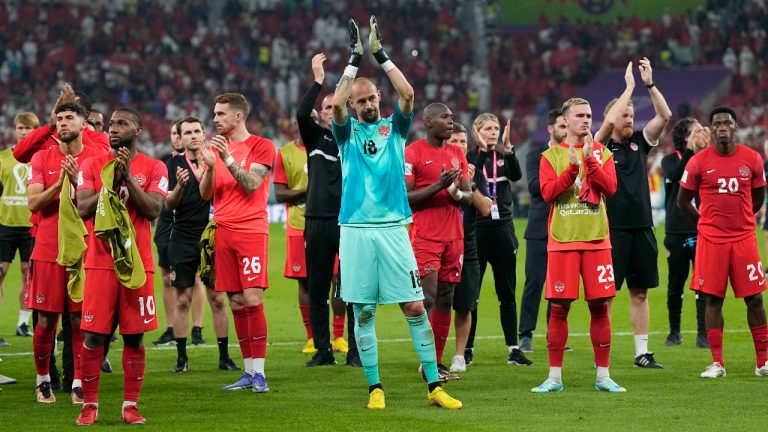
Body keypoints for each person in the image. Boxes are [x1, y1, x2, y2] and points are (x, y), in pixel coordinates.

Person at [331, 16, 461, 409]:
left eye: (373, 99)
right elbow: (335, 101)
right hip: (354, 229)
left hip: (393, 229)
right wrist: (353, 61)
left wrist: (380, 55)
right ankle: (375, 388)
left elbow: (408, 94)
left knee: (415, 306)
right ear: (354, 106)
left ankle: (435, 386)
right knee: (365, 312)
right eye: (363, 100)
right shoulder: (345, 134)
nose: (370, 104)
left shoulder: (395, 129)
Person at [75, 107, 169, 425]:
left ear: (138, 130)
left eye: (122, 123)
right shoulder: (91, 164)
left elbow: (154, 209)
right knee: (93, 337)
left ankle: (130, 406)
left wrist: (128, 176)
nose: (114, 129)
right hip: (101, 263)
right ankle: (89, 405)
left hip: (137, 265)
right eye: (112, 124)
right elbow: (83, 209)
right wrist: (111, 179)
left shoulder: (155, 167)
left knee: (134, 337)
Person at [532, 96, 625, 393]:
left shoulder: (603, 153)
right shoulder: (550, 157)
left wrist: (587, 160)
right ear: (566, 121)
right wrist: (572, 169)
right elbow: (547, 194)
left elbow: (610, 188)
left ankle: (603, 376)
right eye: (580, 116)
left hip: (597, 240)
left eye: (589, 115)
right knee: (559, 308)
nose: (586, 120)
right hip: (563, 241)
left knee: (600, 308)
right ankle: (555, 378)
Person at [678, 106, 768, 379]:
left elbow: (758, 197)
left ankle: (763, 363)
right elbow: (682, 201)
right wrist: (706, 224)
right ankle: (717, 363)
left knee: (755, 300)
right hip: (711, 242)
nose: (722, 127)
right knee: (713, 300)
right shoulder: (698, 162)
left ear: (735, 126)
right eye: (717, 124)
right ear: (712, 129)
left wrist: (740, 219)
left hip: (744, 240)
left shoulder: (752, 159)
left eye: (727, 122)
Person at [27, 103, 105, 404]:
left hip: (85, 250)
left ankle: (77, 382)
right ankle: (43, 379)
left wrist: (75, 183)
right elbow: (34, 204)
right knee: (46, 320)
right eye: (58, 118)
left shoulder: (97, 159)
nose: (62, 123)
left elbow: (101, 203)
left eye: (69, 117)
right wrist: (59, 183)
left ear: (84, 124)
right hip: (47, 249)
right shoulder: (41, 158)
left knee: (78, 319)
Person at [198, 92, 275, 393]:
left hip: (251, 230)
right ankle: (247, 371)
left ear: (238, 116)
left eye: (220, 114)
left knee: (253, 300)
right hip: (223, 231)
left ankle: (260, 373)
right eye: (214, 114)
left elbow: (252, 184)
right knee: (236, 302)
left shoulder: (261, 146)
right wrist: (210, 165)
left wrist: (226, 159)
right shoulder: (214, 150)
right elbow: (206, 194)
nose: (215, 119)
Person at [598, 58, 671, 369]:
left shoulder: (640, 144)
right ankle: (604, 354)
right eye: (625, 115)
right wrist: (628, 87)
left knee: (640, 293)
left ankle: (642, 352)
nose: (630, 119)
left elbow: (665, 115)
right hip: (611, 231)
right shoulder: (599, 146)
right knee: (606, 296)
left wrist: (649, 85)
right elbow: (609, 123)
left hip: (642, 227)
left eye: (631, 114)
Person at [165, 117, 239, 372]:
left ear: (203, 134)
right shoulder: (172, 164)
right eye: (188, 132)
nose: (194, 135)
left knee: (217, 299)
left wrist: (211, 168)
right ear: (180, 138)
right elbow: (169, 205)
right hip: (183, 237)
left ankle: (224, 357)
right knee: (183, 299)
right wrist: (180, 186)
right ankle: (181, 358)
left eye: (197, 130)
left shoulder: (218, 159)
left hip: (212, 237)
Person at [299, 53, 358, 367]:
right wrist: (318, 80)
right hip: (319, 220)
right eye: (324, 107)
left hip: (349, 221)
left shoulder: (353, 139)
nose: (328, 111)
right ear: (319, 114)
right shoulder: (314, 138)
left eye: (334, 107)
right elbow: (299, 112)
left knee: (352, 289)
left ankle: (356, 351)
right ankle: (323, 350)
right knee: (319, 287)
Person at [405, 103, 471, 381]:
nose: (451, 121)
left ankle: (436, 363)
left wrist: (456, 191)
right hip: (425, 237)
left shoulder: (457, 154)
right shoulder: (412, 153)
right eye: (445, 117)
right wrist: (440, 186)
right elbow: (406, 198)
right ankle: (427, 363)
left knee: (446, 298)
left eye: (452, 117)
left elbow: (467, 196)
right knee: (428, 299)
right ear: (428, 122)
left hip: (454, 237)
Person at [465, 112, 530, 366]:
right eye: (488, 128)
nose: (493, 132)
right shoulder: (470, 158)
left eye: (496, 128)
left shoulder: (504, 158)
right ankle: (468, 347)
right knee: (473, 293)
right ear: (477, 131)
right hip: (477, 229)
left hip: (503, 228)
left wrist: (509, 148)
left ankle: (513, 348)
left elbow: (516, 176)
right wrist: (481, 151)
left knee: (507, 293)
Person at [518, 109, 567, 352]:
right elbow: (536, 188)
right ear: (550, 128)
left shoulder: (573, 154)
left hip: (565, 226)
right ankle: (525, 334)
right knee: (534, 282)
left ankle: (554, 334)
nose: (565, 130)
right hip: (539, 227)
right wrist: (565, 178)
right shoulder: (536, 155)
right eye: (561, 126)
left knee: (560, 284)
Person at [444, 123, 491, 373]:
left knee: (465, 305)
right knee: (435, 303)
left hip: (468, 248)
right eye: (456, 141)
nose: (461, 146)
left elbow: (485, 209)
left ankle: (460, 356)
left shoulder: (472, 172)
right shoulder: (438, 169)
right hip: (440, 244)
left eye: (464, 141)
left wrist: (470, 183)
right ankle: (432, 355)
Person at [661, 118, 709, 348]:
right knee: (675, 284)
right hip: (676, 230)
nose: (701, 134)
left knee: (703, 283)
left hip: (702, 228)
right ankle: (674, 332)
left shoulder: (708, 160)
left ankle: (703, 334)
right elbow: (677, 176)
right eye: (697, 131)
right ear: (685, 138)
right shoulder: (669, 160)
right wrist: (691, 152)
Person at [273, 125, 317, 355]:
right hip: (298, 225)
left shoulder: (329, 148)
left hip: (330, 223)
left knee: (337, 279)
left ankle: (339, 336)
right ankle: (312, 338)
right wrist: (309, 191)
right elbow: (280, 194)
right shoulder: (285, 153)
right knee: (305, 281)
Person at [0, 113, 37, 342]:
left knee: (28, 275)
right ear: (14, 130)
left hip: (31, 227)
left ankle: (23, 323)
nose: (23, 132)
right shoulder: (3, 158)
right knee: (0, 273)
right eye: (20, 128)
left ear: (36, 130)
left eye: (28, 128)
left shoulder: (41, 157)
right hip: (4, 225)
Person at [152, 119, 184, 346]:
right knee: (166, 279)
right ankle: (171, 327)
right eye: (174, 133)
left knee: (192, 280)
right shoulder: (163, 164)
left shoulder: (199, 162)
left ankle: (198, 328)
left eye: (180, 133)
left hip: (189, 223)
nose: (177, 137)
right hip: (166, 223)